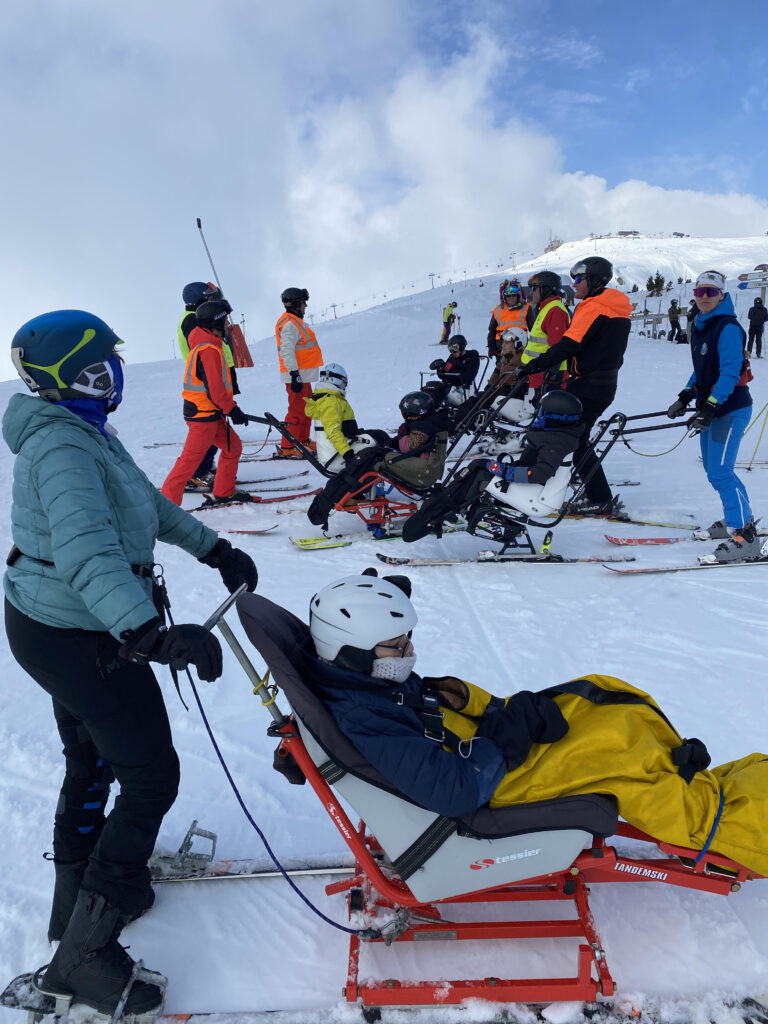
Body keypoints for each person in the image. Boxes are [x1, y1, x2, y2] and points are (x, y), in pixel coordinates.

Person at [4, 310, 258, 1016]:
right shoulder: (60, 449)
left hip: (57, 622)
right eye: (103, 361)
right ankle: (85, 955)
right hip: (75, 633)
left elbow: (144, 506)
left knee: (94, 760)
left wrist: (214, 548)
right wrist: (149, 634)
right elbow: (87, 553)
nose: (114, 371)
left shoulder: (84, 432)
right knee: (151, 775)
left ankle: (78, 906)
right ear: (76, 372)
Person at [305, 572, 768, 876]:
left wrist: (482, 705)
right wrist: (507, 737)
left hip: (477, 754)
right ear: (352, 650)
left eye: (408, 640)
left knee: (601, 696)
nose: (408, 652)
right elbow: (452, 791)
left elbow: (427, 716)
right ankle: (717, 821)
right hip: (489, 785)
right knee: (613, 751)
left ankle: (681, 774)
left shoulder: (362, 683)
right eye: (395, 645)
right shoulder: (366, 718)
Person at [512, 257, 632, 517]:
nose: (574, 284)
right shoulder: (615, 308)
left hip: (588, 385)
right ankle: (582, 486)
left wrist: (534, 366)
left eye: (578, 279)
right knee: (574, 437)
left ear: (595, 280)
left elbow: (568, 345)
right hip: (601, 384)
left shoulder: (593, 307)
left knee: (573, 439)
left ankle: (599, 499)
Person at [402, 390, 583, 542]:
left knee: (481, 473)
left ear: (555, 418)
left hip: (538, 499)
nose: (538, 416)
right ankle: (442, 506)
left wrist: (505, 471)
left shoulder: (556, 442)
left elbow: (540, 473)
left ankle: (440, 512)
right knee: (478, 466)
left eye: (543, 413)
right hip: (535, 489)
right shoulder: (557, 436)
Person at [666, 270, 758, 563]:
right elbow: (703, 369)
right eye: (700, 291)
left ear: (722, 295)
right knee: (714, 470)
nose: (704, 297)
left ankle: (745, 534)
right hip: (712, 407)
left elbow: (730, 372)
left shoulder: (728, 327)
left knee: (721, 471)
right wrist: (685, 395)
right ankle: (738, 516)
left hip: (730, 409)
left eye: (711, 292)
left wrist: (710, 406)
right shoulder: (701, 325)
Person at [306, 391, 449, 529]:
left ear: (411, 414)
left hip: (421, 472)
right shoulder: (429, 423)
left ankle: (339, 496)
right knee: (370, 456)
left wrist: (403, 431)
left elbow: (407, 447)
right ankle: (347, 493)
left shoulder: (424, 427)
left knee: (371, 457)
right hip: (421, 466)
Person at [161, 299, 251, 505]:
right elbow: (215, 389)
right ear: (215, 324)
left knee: (233, 448)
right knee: (188, 464)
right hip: (202, 417)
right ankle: (166, 508)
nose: (228, 325)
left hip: (211, 413)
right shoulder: (208, 350)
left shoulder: (210, 345)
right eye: (226, 321)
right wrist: (232, 409)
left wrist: (228, 409)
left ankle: (223, 491)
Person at [178, 282, 240, 490]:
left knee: (222, 441)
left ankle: (207, 472)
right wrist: (224, 402)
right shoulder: (193, 322)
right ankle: (197, 473)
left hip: (214, 391)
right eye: (210, 297)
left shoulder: (203, 319)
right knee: (204, 440)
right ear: (200, 300)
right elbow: (206, 360)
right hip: (205, 396)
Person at [275, 287, 323, 457]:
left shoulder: (294, 322)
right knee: (296, 411)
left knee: (306, 408)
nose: (305, 306)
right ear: (296, 305)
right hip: (295, 376)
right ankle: (288, 446)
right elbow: (286, 351)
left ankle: (301, 441)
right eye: (303, 303)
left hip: (301, 375)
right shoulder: (289, 324)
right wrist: (294, 374)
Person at [515, 271, 570, 399]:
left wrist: (549, 380)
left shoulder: (555, 311)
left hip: (548, 378)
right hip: (537, 374)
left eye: (534, 288)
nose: (531, 292)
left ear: (546, 289)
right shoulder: (546, 308)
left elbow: (558, 348)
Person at [487, 279, 535, 359]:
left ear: (518, 295)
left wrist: (533, 347)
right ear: (505, 297)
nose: (511, 298)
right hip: (501, 348)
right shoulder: (498, 309)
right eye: (508, 296)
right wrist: (491, 348)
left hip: (520, 348)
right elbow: (492, 330)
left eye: (514, 295)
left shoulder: (526, 308)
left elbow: (534, 329)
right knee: (502, 370)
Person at [427, 335, 481, 404]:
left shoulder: (471, 357)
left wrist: (450, 372)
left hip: (464, 390)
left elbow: (467, 378)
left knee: (440, 391)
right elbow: (446, 376)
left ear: (461, 348)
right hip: (451, 387)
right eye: (450, 351)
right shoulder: (452, 357)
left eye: (454, 350)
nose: (452, 353)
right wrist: (440, 369)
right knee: (430, 387)